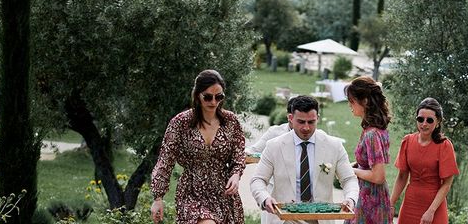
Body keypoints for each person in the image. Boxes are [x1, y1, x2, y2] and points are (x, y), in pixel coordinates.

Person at [151, 69, 246, 224]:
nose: (214, 102)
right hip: (192, 193)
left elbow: (239, 153)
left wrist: (236, 175)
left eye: (219, 97)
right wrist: (158, 197)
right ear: (197, 95)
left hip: (223, 194)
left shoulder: (231, 121)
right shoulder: (180, 122)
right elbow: (165, 160)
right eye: (208, 97)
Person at [250, 95, 359, 224]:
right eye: (301, 122)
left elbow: (349, 179)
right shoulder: (274, 146)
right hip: (283, 218)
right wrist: (265, 198)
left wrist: (351, 198)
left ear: (317, 118)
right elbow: (258, 180)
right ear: (290, 118)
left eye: (311, 122)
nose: (306, 128)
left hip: (320, 218)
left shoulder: (334, 146)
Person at [390, 97, 459, 224]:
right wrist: (391, 203)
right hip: (410, 204)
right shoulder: (407, 141)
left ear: (438, 122)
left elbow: (447, 184)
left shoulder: (444, 146)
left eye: (430, 120)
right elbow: (402, 176)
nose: (424, 124)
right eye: (420, 119)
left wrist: (431, 211)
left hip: (434, 207)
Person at [345, 76, 392, 224]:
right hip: (369, 196)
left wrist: (351, 171)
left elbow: (378, 176)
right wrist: (350, 166)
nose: (349, 105)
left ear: (364, 101)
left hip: (371, 201)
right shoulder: (374, 130)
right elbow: (367, 165)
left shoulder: (372, 134)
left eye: (352, 101)